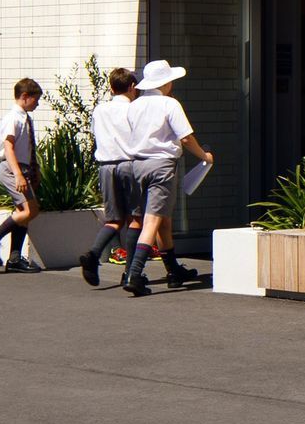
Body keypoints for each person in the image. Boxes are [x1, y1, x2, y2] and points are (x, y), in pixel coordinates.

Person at [118, 57, 213, 297]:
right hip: (162, 167)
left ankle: (173, 270)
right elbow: (185, 137)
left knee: (161, 219)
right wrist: (204, 155)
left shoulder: (134, 105)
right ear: (166, 82)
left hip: (137, 166)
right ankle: (134, 274)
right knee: (152, 222)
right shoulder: (170, 105)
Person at [0, 78, 46, 273]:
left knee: (22, 212)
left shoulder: (23, 117)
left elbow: (26, 148)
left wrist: (34, 170)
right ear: (25, 97)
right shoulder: (12, 118)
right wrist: (18, 174)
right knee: (30, 210)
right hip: (11, 168)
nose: (38, 104)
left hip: (22, 168)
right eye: (36, 99)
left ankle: (15, 258)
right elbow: (8, 147)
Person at [82, 66, 135, 289]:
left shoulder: (99, 110)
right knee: (136, 218)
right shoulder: (134, 109)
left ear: (111, 88)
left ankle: (94, 253)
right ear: (132, 87)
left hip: (105, 165)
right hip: (129, 164)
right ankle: (131, 271)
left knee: (114, 219)